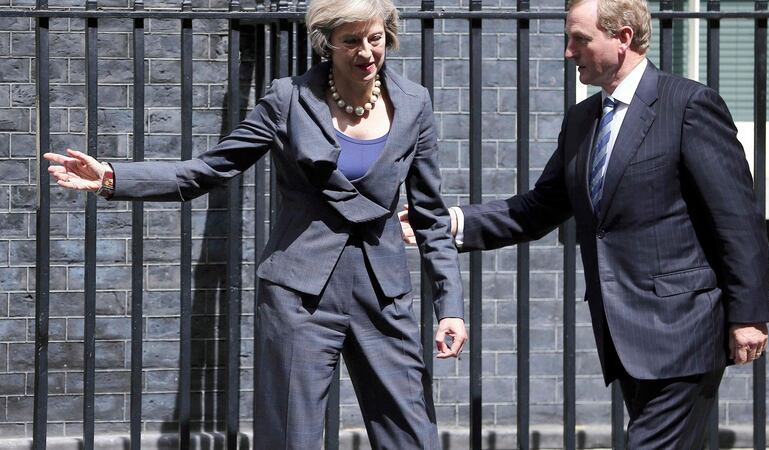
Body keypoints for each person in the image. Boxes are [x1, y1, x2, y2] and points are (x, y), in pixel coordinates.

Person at [45, 0, 467, 448]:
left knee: (412, 437)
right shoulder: (289, 99)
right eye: (351, 41)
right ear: (327, 43)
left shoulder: (414, 103)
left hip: (384, 294)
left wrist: (451, 306)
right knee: (291, 437)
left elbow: (430, 216)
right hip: (300, 296)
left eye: (375, 38)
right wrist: (113, 177)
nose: (366, 52)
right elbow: (207, 170)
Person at [400, 0, 769, 448]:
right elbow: (539, 208)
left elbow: (736, 217)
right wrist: (452, 223)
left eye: (579, 39)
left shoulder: (688, 106)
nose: (568, 51)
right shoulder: (583, 120)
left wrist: (749, 314)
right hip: (625, 334)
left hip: (685, 329)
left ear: (622, 38)